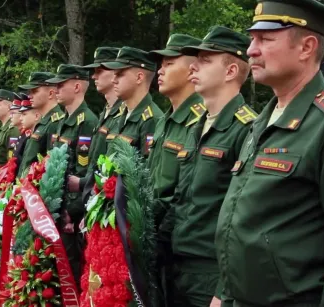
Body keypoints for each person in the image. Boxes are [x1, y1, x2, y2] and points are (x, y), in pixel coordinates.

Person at [214, 1, 324, 307]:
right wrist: (223, 293)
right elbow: (243, 221)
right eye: (252, 39)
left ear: (306, 47)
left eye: (265, 40)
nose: (251, 50)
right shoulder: (262, 121)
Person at [148, 27, 254, 307]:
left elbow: (244, 219)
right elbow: (182, 200)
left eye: (206, 60)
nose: (193, 66)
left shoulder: (246, 129)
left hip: (210, 275)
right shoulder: (198, 126)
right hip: (177, 266)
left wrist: (224, 287)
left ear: (231, 71)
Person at [145, 33, 204, 306]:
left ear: (192, 68)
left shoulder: (201, 119)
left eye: (169, 63)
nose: (160, 70)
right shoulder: (165, 120)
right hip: (157, 240)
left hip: (185, 248)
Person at [46, 64, 99, 288]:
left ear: (77, 86)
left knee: (69, 272)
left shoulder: (86, 121)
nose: (56, 89)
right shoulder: (62, 121)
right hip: (56, 208)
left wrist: (73, 211)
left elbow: (83, 172)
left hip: (69, 214)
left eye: (61, 85)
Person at [66, 47, 123, 197]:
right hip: (89, 199)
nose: (93, 77)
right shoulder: (105, 112)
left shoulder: (124, 115)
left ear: (115, 72)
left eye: (99, 71)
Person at [102, 46, 163, 157]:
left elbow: (146, 171)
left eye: (119, 74)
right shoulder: (120, 115)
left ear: (139, 78)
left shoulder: (152, 119)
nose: (113, 80)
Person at [17, 72, 65, 177]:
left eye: (35, 91)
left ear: (51, 93)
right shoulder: (43, 121)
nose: (29, 96)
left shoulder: (55, 122)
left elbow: (49, 165)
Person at [0, 89, 20, 174]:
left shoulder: (12, 129)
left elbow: (11, 161)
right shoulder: (3, 128)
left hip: (2, 181)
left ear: (9, 106)